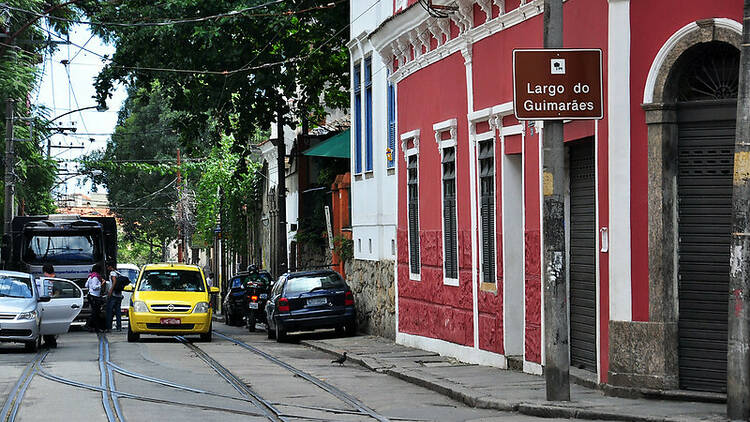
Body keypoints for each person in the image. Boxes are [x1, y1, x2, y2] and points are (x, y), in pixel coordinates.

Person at [85, 263, 105, 332]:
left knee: (95, 312)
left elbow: (86, 285)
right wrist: (100, 284)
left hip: (90, 295)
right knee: (96, 312)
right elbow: (94, 287)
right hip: (95, 296)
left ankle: (91, 326)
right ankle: (91, 326)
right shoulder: (96, 277)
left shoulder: (90, 276)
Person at [105, 262, 124, 332]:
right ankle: (119, 326)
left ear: (110, 267)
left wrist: (110, 290)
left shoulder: (112, 273)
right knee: (118, 311)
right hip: (119, 295)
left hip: (113, 295)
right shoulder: (118, 273)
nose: (107, 268)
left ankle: (109, 327)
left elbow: (114, 281)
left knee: (109, 310)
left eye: (108, 267)